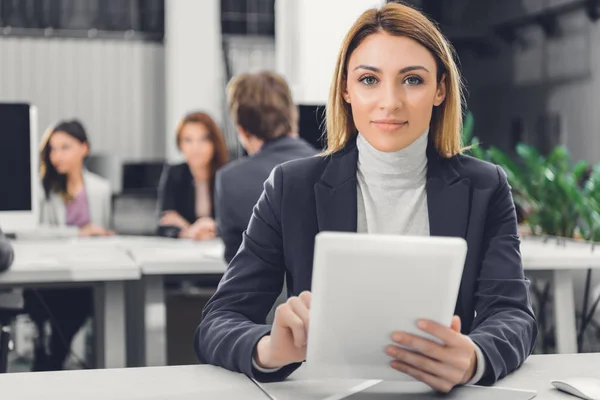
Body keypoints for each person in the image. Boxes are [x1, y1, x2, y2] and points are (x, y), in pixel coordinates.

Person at [195, 3, 537, 392]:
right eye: (369, 80)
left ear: (440, 89)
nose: (389, 102)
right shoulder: (292, 187)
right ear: (346, 88)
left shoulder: (485, 187)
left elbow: (512, 315)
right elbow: (219, 320)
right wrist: (268, 348)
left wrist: (473, 359)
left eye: (412, 80)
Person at [25, 119, 113, 371]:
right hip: (50, 274)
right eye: (52, 149)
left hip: (88, 271)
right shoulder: (43, 189)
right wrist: (79, 232)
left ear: (84, 148)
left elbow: (104, 231)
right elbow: (33, 233)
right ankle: (52, 360)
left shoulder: (100, 189)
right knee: (59, 307)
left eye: (64, 147)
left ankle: (52, 362)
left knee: (81, 304)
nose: (56, 156)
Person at [216, 71, 317, 263]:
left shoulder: (230, 179)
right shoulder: (336, 165)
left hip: (268, 293)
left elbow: (236, 266)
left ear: (241, 130)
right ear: (292, 113)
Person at [157, 112, 228, 240]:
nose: (196, 148)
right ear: (180, 144)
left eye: (204, 139)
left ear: (214, 143)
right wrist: (189, 232)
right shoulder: (174, 173)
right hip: (186, 250)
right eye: (188, 140)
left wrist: (214, 229)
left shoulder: (228, 174)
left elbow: (237, 221)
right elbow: (164, 223)